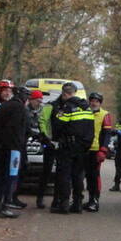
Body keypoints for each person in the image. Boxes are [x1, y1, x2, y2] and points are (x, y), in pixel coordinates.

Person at [49, 82, 94, 214]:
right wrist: (87, 144)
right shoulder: (87, 107)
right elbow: (91, 128)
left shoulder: (68, 107)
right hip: (82, 147)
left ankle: (64, 205)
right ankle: (78, 204)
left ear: (65, 94)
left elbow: (58, 125)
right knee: (78, 176)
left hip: (68, 146)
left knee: (65, 176)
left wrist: (57, 139)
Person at [0, 80, 25, 218]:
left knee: (1, 177)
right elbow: (17, 128)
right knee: (9, 177)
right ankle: (3, 206)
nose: (7, 92)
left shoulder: (3, 106)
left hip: (1, 147)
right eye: (5, 90)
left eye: (9, 90)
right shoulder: (16, 107)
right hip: (12, 148)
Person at [84, 92, 113, 212]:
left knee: (94, 176)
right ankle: (87, 199)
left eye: (96, 101)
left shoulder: (105, 115)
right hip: (85, 149)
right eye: (92, 101)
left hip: (96, 150)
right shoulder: (85, 112)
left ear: (100, 103)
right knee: (85, 175)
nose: (94, 103)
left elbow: (107, 134)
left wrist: (103, 150)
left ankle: (95, 201)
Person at [35, 91, 56, 209]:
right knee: (46, 171)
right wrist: (46, 136)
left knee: (62, 173)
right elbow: (42, 121)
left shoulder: (70, 107)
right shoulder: (50, 106)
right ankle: (40, 197)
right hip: (50, 143)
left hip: (62, 144)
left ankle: (59, 198)